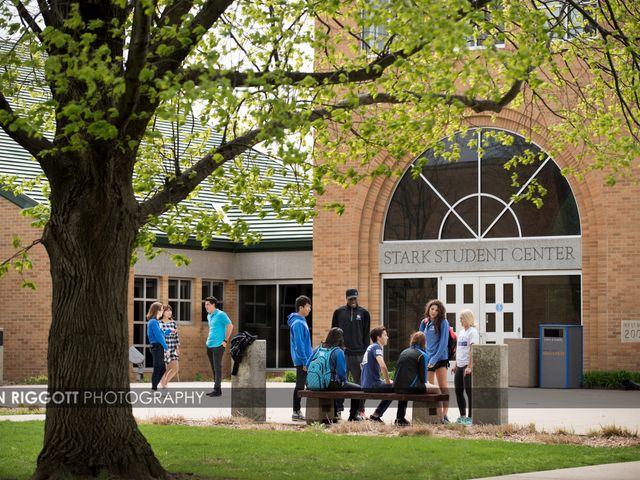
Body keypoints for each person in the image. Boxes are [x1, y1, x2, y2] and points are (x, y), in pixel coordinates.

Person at [331, 288, 370, 417]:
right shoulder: (338, 312)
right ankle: (338, 409)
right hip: (342, 353)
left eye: (355, 298)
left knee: (360, 383)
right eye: (350, 299)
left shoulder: (364, 313)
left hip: (359, 353)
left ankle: (360, 410)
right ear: (346, 299)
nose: (353, 301)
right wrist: (334, 350)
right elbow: (334, 332)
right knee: (340, 382)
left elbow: (366, 334)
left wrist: (366, 353)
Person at [309, 327, 362, 421]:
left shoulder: (317, 349)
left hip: (313, 384)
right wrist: (344, 382)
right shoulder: (338, 352)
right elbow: (342, 374)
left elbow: (307, 365)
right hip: (329, 384)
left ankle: (335, 414)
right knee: (358, 389)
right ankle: (353, 416)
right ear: (341, 338)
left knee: (335, 386)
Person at [394, 331, 442, 425]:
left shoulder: (404, 352)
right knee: (437, 389)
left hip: (397, 386)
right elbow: (424, 379)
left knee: (406, 384)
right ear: (424, 342)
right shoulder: (422, 355)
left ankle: (399, 418)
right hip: (411, 388)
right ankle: (441, 418)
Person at [419, 299, 451, 423]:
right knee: (431, 388)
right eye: (432, 309)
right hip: (428, 359)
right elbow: (420, 342)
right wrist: (424, 357)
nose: (434, 312)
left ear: (440, 312)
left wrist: (434, 359)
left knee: (443, 387)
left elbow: (443, 343)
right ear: (429, 309)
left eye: (437, 310)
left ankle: (444, 415)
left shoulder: (443, 322)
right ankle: (434, 415)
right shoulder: (424, 322)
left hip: (440, 358)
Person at [361, 326, 394, 423]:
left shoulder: (370, 347)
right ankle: (378, 415)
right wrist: (387, 382)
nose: (387, 337)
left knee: (392, 386)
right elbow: (383, 366)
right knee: (399, 388)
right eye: (385, 335)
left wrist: (385, 381)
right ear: (378, 337)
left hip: (366, 384)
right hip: (372, 384)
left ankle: (376, 414)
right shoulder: (376, 347)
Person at [288, 295, 313, 421]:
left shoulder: (301, 320)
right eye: (308, 306)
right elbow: (299, 344)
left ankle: (309, 411)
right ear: (301, 307)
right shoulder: (297, 323)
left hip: (306, 359)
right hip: (302, 360)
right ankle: (296, 412)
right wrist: (304, 361)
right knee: (300, 386)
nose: (310, 308)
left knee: (308, 385)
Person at [454, 309, 479, 425]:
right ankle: (462, 416)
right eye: (460, 318)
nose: (460, 321)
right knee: (458, 391)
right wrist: (455, 364)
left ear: (468, 319)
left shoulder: (472, 332)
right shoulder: (461, 332)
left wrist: (469, 366)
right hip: (459, 365)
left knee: (469, 392)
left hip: (466, 366)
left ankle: (471, 417)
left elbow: (472, 350)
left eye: (462, 318)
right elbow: (459, 349)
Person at [204, 296, 233, 397]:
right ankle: (216, 388)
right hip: (209, 344)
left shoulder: (221, 314)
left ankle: (217, 389)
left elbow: (230, 326)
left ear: (213, 305)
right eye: (205, 304)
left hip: (218, 345)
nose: (205, 306)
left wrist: (225, 340)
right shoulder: (209, 316)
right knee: (213, 367)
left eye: (207, 304)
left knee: (217, 367)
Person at [145, 302, 170, 391]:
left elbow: (161, 334)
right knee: (158, 368)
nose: (163, 311)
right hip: (157, 346)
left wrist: (169, 331)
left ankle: (154, 387)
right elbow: (159, 336)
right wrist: (166, 348)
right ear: (157, 311)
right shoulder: (153, 322)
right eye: (162, 309)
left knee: (162, 368)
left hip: (158, 346)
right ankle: (153, 389)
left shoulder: (155, 321)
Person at [159, 304, 180, 389]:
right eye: (167, 310)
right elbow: (160, 336)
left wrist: (177, 347)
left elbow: (176, 336)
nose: (170, 312)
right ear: (163, 312)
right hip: (162, 349)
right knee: (163, 369)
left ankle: (163, 384)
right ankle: (163, 386)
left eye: (170, 310)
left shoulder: (173, 323)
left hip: (172, 348)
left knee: (175, 368)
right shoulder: (158, 323)